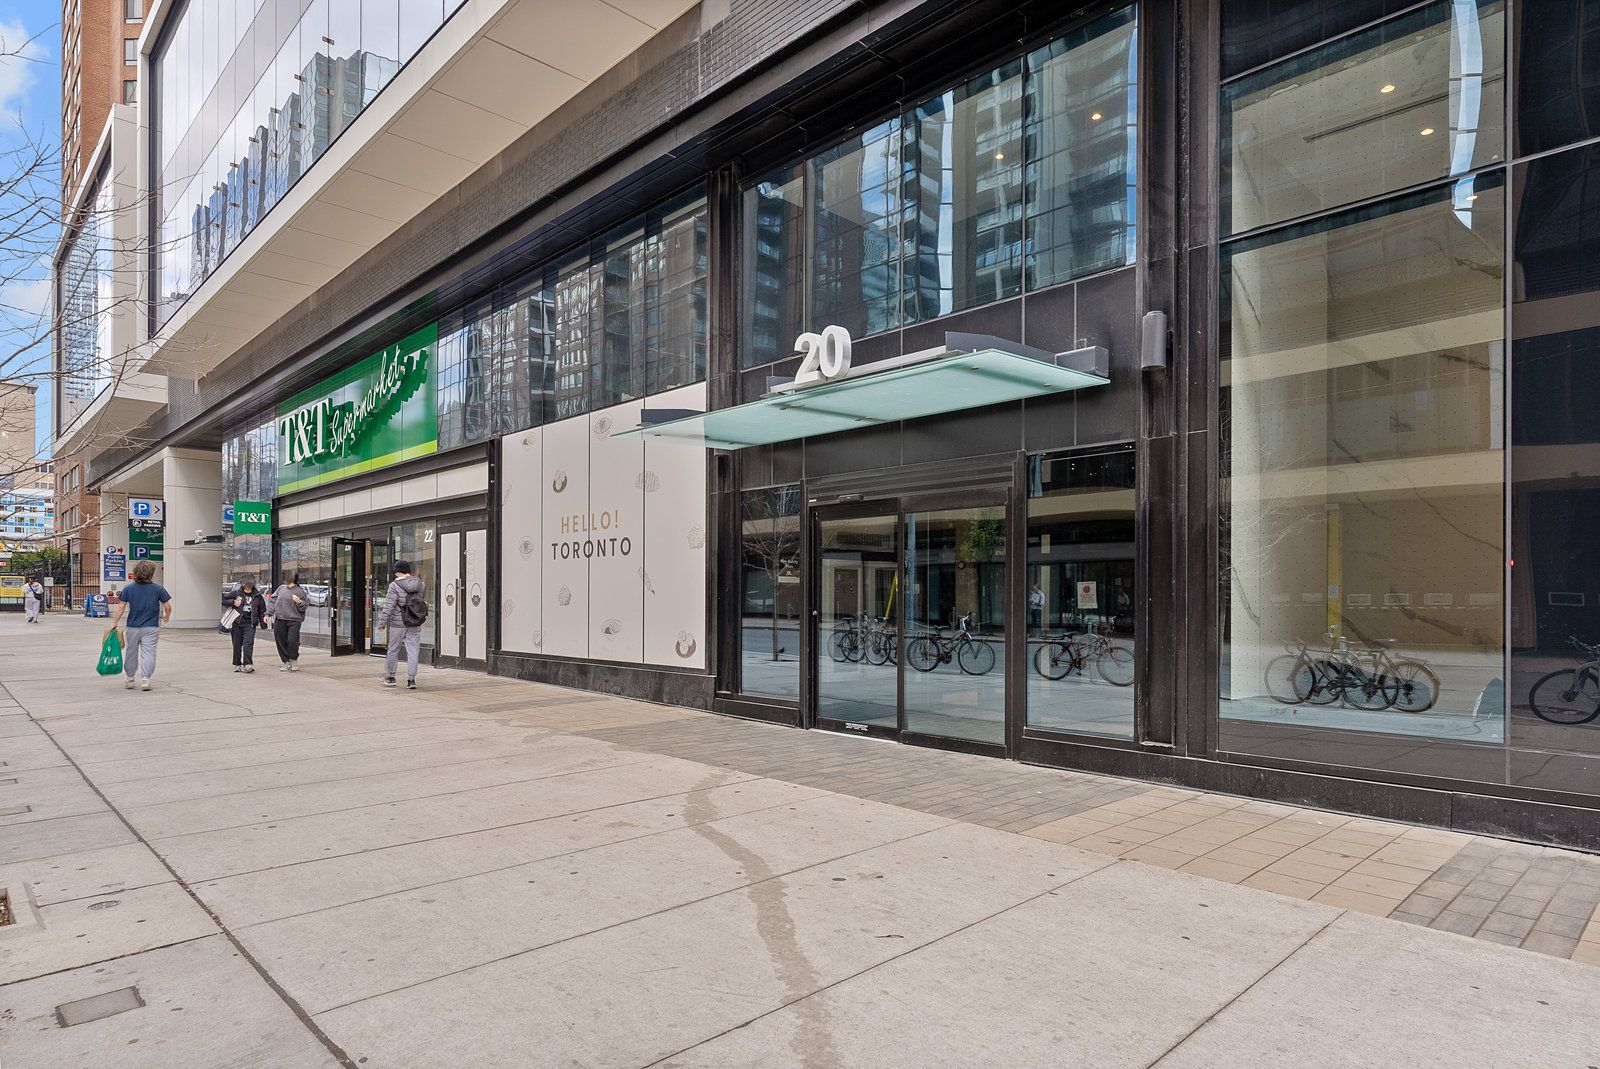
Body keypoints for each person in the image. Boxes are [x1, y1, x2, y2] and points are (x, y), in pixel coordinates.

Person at [110, 560, 171, 691]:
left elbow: (121, 606)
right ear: (151, 574)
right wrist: (167, 616)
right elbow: (167, 606)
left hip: (132, 626)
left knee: (131, 651)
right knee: (149, 652)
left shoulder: (128, 588)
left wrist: (114, 623)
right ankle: (145, 679)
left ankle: (130, 678)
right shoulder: (158, 589)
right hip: (151, 627)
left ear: (135, 572)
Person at [376, 560, 426, 690]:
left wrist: (382, 622)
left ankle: (390, 677)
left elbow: (389, 606)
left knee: (393, 650)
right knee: (413, 650)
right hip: (414, 622)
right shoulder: (420, 584)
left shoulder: (394, 585)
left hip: (398, 623)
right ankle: (411, 680)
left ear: (398, 572)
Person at [223, 577, 268, 673]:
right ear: (243, 584)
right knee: (237, 644)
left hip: (250, 623)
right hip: (237, 622)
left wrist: (263, 622)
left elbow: (262, 610)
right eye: (246, 585)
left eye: (250, 585)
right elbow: (224, 601)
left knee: (248, 643)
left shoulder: (258, 595)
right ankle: (237, 664)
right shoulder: (236, 593)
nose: (248, 587)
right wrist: (233, 602)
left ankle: (247, 664)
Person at [267, 572, 309, 670]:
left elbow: (304, 607)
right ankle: (286, 662)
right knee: (280, 641)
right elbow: (272, 601)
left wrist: (299, 601)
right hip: (280, 619)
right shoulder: (281, 589)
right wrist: (268, 614)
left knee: (292, 641)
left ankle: (293, 659)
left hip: (294, 620)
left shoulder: (300, 591)